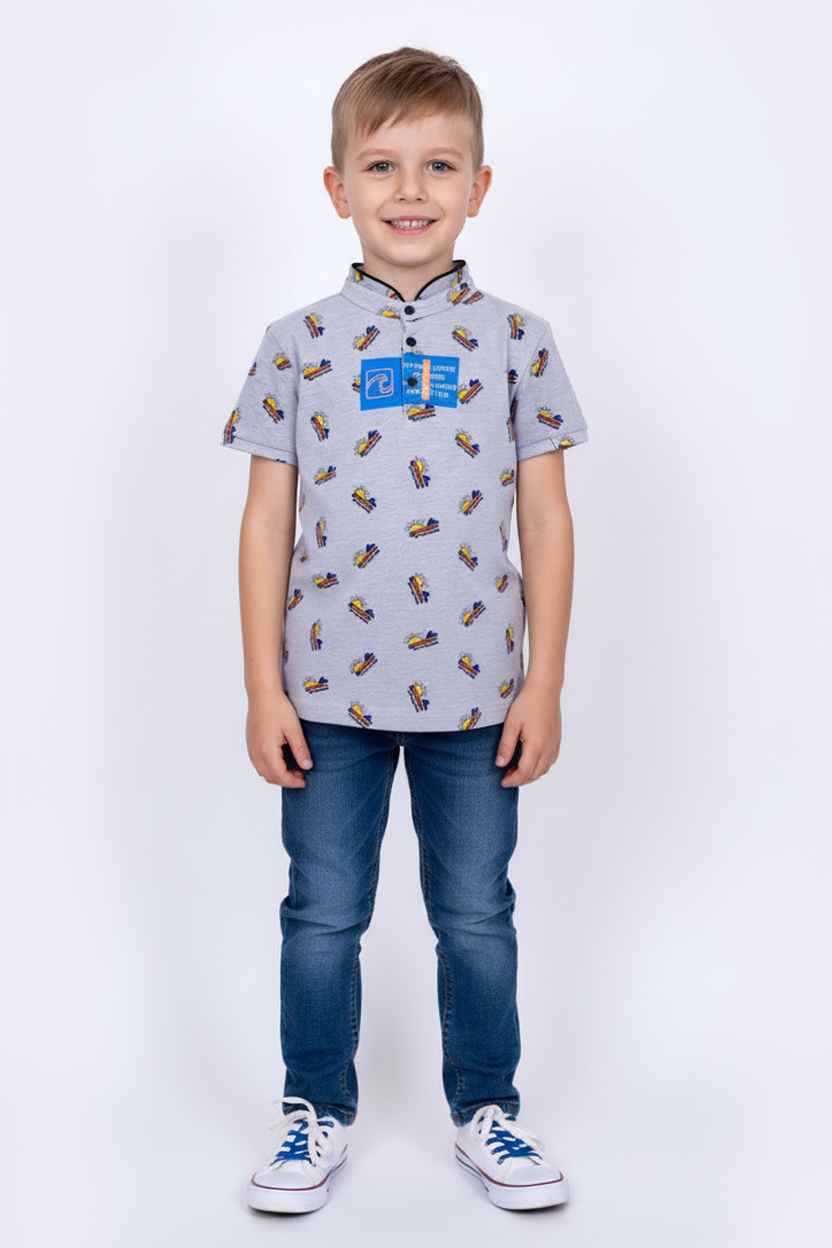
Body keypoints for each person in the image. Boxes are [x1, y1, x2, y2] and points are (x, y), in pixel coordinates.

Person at [222, 47, 588, 1215]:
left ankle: (487, 1110)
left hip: (478, 698)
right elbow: (265, 521)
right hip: (324, 696)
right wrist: (263, 688)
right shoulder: (295, 341)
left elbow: (546, 518)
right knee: (322, 914)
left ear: (479, 185)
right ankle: (313, 1108)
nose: (410, 189)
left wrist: (544, 683)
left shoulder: (519, 339)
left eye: (439, 165)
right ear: (338, 186)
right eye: (381, 165)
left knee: (475, 913)